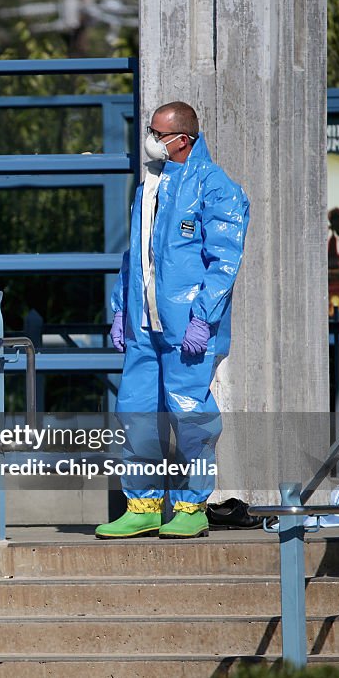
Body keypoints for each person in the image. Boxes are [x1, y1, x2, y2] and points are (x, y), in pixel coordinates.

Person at [97, 101, 250, 539]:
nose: (151, 139)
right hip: (145, 325)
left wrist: (204, 318)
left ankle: (191, 507)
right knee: (135, 412)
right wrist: (121, 307)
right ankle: (142, 505)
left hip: (186, 327)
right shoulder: (151, 186)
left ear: (182, 139)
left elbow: (224, 261)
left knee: (190, 417)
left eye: (157, 132)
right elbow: (136, 256)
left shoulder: (217, 189)